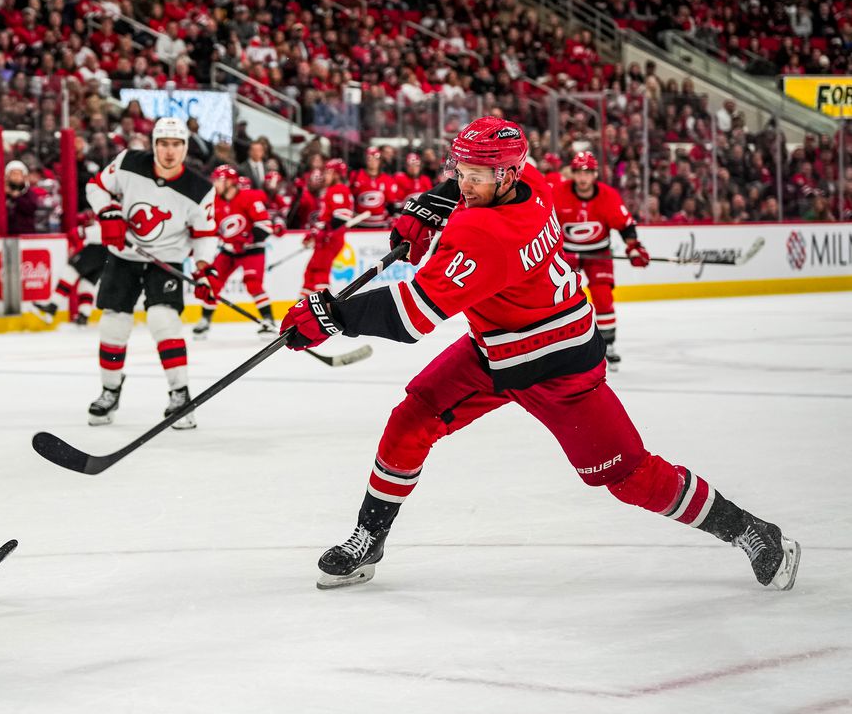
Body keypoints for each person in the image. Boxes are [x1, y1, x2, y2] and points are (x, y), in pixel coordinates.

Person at [279, 117, 800, 592]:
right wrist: (432, 202)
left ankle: (751, 530)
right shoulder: (535, 184)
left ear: (507, 176)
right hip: (495, 348)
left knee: (630, 476)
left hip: (558, 367)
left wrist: (331, 316)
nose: (465, 184)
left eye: (476, 177)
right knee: (410, 419)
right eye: (459, 171)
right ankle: (369, 538)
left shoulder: (486, 235)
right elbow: (462, 196)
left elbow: (411, 317)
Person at [83, 117, 216, 428]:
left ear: (185, 147)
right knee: (113, 325)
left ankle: (180, 394)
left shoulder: (200, 189)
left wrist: (204, 269)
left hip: (167, 261)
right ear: (154, 144)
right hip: (123, 256)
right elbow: (96, 187)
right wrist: (108, 212)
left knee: (163, 320)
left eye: (176, 144)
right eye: (164, 144)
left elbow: (205, 234)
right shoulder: (128, 161)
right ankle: (110, 390)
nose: (170, 151)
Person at [553, 152, 650, 367]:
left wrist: (633, 247)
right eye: (579, 172)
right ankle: (559, 345)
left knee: (602, 294)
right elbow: (544, 222)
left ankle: (608, 344)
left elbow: (625, 226)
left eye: (587, 173)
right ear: (573, 174)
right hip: (567, 252)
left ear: (595, 174)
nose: (583, 178)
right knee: (558, 297)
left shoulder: (608, 196)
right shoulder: (558, 193)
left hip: (598, 253)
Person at [192, 166, 276, 339]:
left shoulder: (249, 197)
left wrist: (247, 239)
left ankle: (268, 320)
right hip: (229, 251)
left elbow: (266, 226)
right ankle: (205, 321)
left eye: (218, 180)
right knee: (212, 281)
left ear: (230, 182)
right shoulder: (215, 201)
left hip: (251, 250)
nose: (215, 184)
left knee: (253, 284)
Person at [33, 213, 105, 326]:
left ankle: (53, 306)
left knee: (70, 272)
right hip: (106, 254)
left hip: (95, 248)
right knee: (87, 284)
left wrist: (83, 231)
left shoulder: (108, 207)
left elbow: (79, 233)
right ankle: (83, 316)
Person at [300, 158, 354, 298]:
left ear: (336, 174)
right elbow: (325, 219)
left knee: (320, 272)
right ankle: (302, 309)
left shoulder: (339, 189)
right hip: (324, 239)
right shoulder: (330, 190)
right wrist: (313, 233)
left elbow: (341, 217)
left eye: (328, 172)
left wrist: (323, 231)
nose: (325, 175)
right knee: (310, 272)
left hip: (331, 240)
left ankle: (324, 309)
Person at [350, 146, 403, 229]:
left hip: (380, 223)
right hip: (359, 222)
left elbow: (391, 203)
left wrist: (392, 218)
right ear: (366, 160)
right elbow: (350, 198)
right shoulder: (355, 176)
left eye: (375, 159)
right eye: (369, 158)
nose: (372, 161)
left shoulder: (387, 179)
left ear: (380, 161)